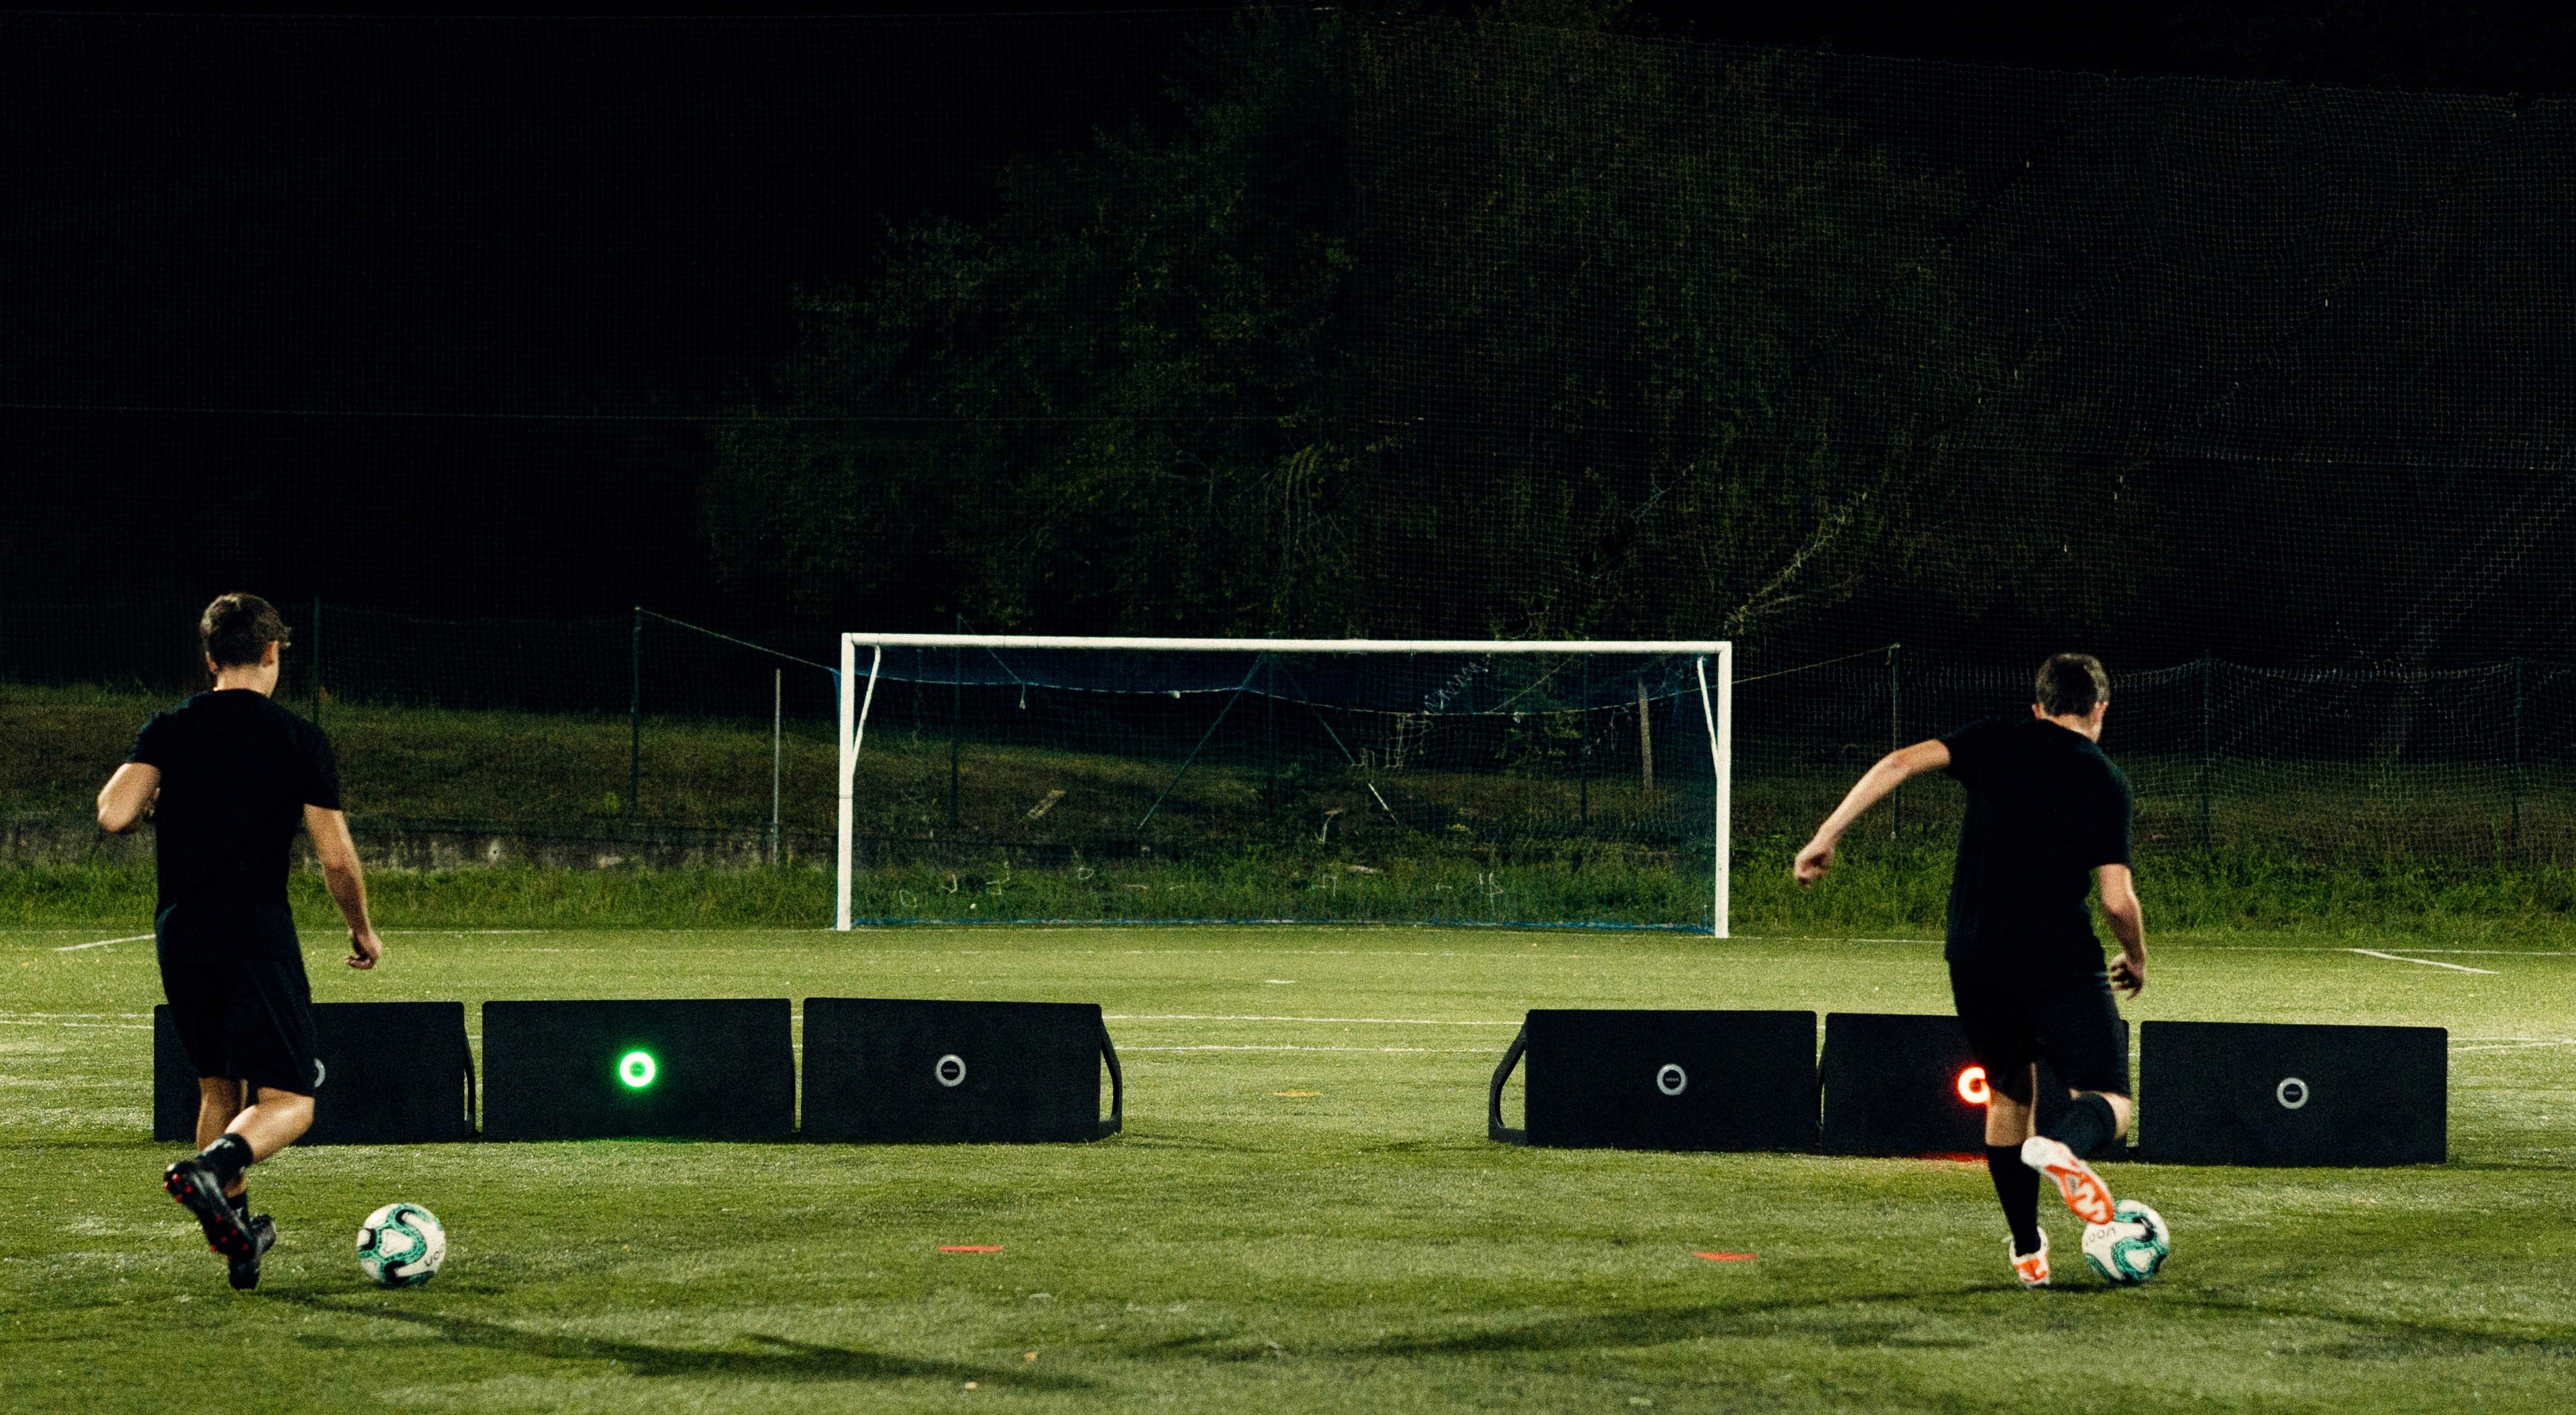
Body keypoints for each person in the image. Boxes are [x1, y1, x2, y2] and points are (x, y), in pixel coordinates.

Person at [1793, 653, 2148, 1288]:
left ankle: (2025, 1249)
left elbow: (1899, 763)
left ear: (2037, 707)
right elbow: (2115, 900)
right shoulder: (2105, 780)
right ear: (2099, 709)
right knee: (2110, 1100)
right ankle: (2064, 1148)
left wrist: (1827, 834)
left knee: (2008, 1093)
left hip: (1973, 953)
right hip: (2056, 956)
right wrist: (2137, 956)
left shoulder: (1995, 739)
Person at [96, 593, 386, 1290]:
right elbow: (337, 859)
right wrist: (360, 928)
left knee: (218, 1092)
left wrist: (163, 799)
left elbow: (114, 815)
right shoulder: (296, 738)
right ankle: (214, 1171)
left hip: (182, 937)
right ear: (270, 653)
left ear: (208, 658)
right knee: (290, 1102)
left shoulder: (168, 728)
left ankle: (239, 1243)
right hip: (256, 937)